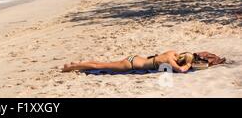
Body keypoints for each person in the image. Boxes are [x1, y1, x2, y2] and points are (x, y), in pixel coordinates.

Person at [62, 51, 194, 73]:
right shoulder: (171, 61)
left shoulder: (171, 53)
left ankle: (77, 63)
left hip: (135, 58)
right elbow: (181, 70)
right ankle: (71, 67)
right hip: (130, 64)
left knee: (103, 63)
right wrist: (188, 64)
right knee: (101, 65)